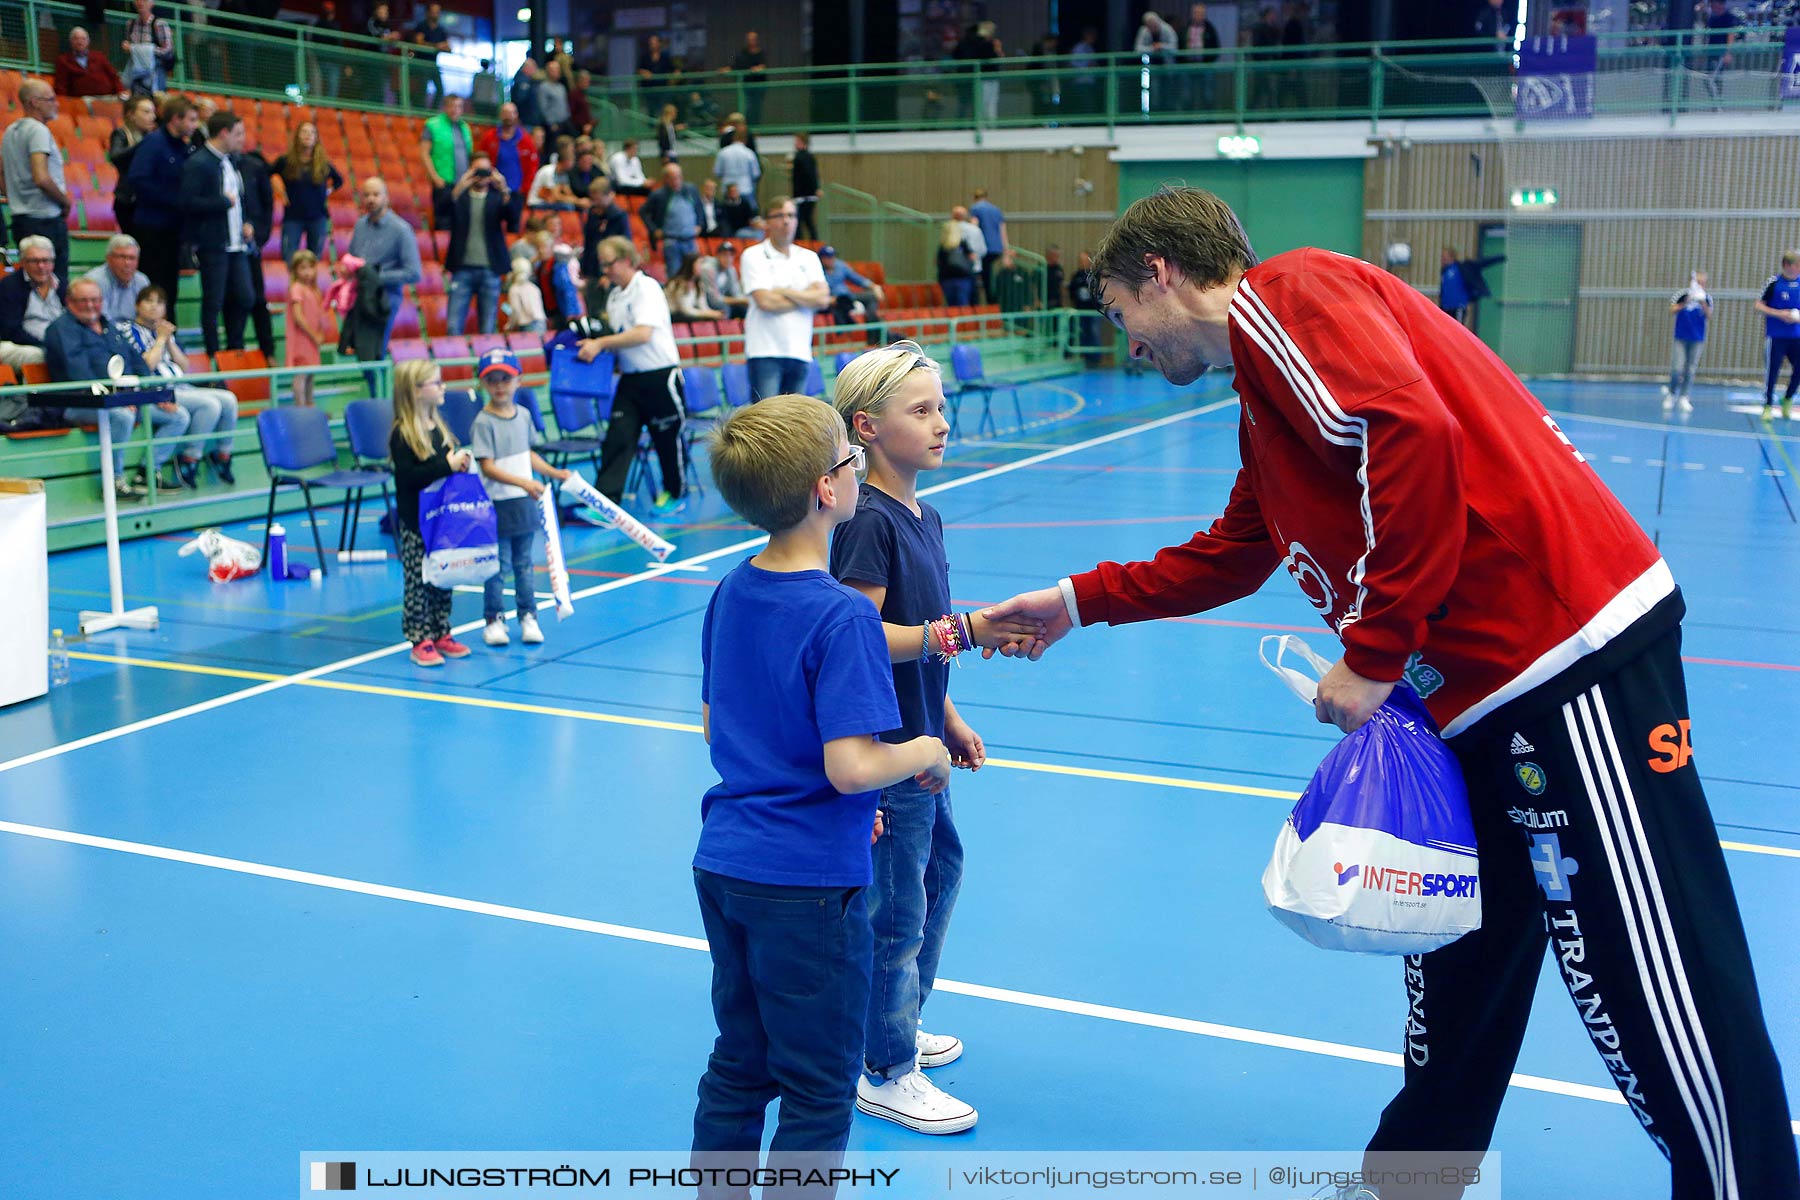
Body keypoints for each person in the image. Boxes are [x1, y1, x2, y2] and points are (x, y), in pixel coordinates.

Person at [978, 186, 1800, 1200]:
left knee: (1645, 979)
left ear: (1162, 274)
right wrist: (1076, 601)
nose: (1127, 344)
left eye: (1118, 314)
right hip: (1475, 701)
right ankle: (1413, 1180)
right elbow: (1238, 553)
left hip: (1561, 665)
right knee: (1457, 950)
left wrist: (1372, 654)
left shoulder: (1291, 293)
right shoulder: (1267, 400)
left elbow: (1407, 432)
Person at [689, 394, 951, 1175]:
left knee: (740, 1064)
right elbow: (852, 766)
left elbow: (718, 727)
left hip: (726, 863)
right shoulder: (843, 618)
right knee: (817, 1086)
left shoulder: (731, 589)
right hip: (808, 885)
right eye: (848, 459)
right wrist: (926, 749)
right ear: (825, 491)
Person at [829, 343, 1037, 1136]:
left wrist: (946, 715)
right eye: (922, 411)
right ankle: (886, 1065)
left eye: (941, 406)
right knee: (896, 907)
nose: (942, 422)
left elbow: (919, 639)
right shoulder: (868, 524)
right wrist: (969, 630)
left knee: (939, 872)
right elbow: (862, 638)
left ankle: (895, 1015)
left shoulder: (927, 513)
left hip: (922, 736)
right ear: (868, 427)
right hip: (884, 752)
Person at [575, 236, 687, 514]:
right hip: (631, 379)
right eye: (602, 265)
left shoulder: (646, 288)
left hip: (660, 376)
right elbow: (620, 338)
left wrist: (601, 343)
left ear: (627, 260)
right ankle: (605, 502)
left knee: (667, 441)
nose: (605, 270)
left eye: (609, 263)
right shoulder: (614, 296)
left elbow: (642, 333)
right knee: (618, 438)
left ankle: (675, 493)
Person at [47, 277, 186, 499]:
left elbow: (139, 364)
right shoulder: (61, 330)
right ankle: (114, 481)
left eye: (95, 300)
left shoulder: (110, 327)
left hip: (122, 397)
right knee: (122, 416)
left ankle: (148, 472)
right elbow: (80, 375)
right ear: (69, 301)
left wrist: (151, 394)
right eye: (83, 300)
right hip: (79, 402)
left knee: (177, 416)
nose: (90, 305)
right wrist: (121, 397)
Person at [471, 348, 570, 647]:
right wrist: (524, 482)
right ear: (484, 384)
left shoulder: (523, 416)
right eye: (493, 380)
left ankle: (528, 616)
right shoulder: (483, 422)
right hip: (496, 506)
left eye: (506, 379)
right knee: (497, 566)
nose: (500, 386)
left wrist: (553, 472)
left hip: (524, 505)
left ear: (518, 381)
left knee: (524, 564)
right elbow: (487, 466)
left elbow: (528, 454)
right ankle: (494, 619)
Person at [390, 359, 475, 667]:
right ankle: (419, 637)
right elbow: (409, 478)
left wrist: (458, 465)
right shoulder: (403, 434)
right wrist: (445, 466)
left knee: (443, 578)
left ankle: (441, 630)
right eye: (436, 383)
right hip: (417, 523)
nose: (443, 387)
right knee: (418, 581)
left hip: (442, 521)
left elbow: (444, 466)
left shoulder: (438, 426)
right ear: (415, 391)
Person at [119, 283, 238, 488]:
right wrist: (160, 340)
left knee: (229, 399)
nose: (154, 307)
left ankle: (223, 454)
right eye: (148, 301)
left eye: (160, 302)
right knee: (210, 405)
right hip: (158, 390)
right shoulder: (128, 330)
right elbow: (146, 365)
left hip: (180, 386)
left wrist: (169, 341)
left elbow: (183, 365)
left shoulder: (164, 331)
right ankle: (189, 458)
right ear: (137, 305)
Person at [182, 111, 255, 358]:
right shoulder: (199, 162)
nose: (242, 139)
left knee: (245, 296)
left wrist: (246, 223)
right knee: (213, 302)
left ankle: (235, 348)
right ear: (223, 133)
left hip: (236, 244)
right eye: (238, 134)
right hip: (213, 244)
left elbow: (239, 201)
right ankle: (213, 354)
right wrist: (221, 203)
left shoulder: (230, 162)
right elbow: (188, 202)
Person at [742, 197, 828, 402]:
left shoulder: (808, 257)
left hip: (799, 351)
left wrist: (786, 292)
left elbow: (823, 299)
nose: (786, 221)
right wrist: (806, 296)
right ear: (767, 222)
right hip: (764, 351)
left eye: (791, 215)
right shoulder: (753, 255)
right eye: (779, 216)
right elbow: (766, 302)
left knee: (793, 426)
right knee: (765, 423)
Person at [127, 96, 198, 306]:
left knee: (170, 286)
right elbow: (138, 180)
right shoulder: (154, 142)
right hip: (152, 227)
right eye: (191, 120)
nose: (195, 125)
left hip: (173, 228)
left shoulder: (184, 147)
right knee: (154, 283)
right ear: (176, 119)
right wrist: (175, 200)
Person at [2, 81, 74, 288]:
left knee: (30, 283)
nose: (56, 104)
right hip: (45, 221)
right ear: (34, 102)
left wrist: (16, 196)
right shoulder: (38, 131)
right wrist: (65, 202)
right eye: (50, 99)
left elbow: (1, 172)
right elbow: (41, 177)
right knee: (54, 285)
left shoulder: (10, 131)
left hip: (21, 219)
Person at [347, 176, 423, 363]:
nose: (371, 199)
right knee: (361, 353)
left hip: (385, 297)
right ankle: (374, 390)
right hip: (361, 295)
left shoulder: (401, 230)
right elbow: (354, 258)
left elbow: (414, 273)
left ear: (386, 197)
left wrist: (376, 277)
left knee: (374, 351)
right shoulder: (360, 225)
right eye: (366, 195)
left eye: (376, 194)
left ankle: (380, 391)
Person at [444, 153, 510, 335]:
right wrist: (459, 187)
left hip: (490, 268)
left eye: (485, 171)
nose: (481, 175)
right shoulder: (461, 196)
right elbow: (442, 214)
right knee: (453, 326)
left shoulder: (497, 197)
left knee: (487, 329)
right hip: (462, 268)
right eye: (477, 170)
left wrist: (503, 187)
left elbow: (513, 219)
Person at [234, 137, 278, 362]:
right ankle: (235, 354)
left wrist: (256, 233)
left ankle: (268, 352)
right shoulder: (221, 167)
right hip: (227, 250)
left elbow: (266, 207)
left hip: (250, 248)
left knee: (258, 300)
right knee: (236, 302)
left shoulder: (254, 167)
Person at [275, 121, 344, 260]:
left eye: (312, 132)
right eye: (304, 132)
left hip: (317, 218)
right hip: (293, 217)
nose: (308, 135)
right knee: (289, 258)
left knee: (314, 260)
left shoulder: (323, 163)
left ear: (316, 138)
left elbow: (339, 181)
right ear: (297, 136)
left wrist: (328, 191)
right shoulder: (286, 161)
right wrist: (279, 191)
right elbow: (268, 173)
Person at [0, 235, 64, 368]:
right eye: (34, 261)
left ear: (53, 262)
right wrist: (46, 344)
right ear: (23, 262)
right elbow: (11, 331)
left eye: (46, 260)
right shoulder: (9, 286)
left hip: (62, 344)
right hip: (26, 345)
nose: (41, 266)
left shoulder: (63, 285)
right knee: (35, 355)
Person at [478, 103, 538, 232]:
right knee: (490, 227)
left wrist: (524, 189)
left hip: (516, 193)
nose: (508, 116)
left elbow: (532, 168)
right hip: (493, 191)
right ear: (500, 115)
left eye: (511, 113)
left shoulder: (526, 140)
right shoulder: (490, 137)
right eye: (505, 113)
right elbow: (480, 160)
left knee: (514, 228)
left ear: (516, 115)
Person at [1755, 251, 1800, 422]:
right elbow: (1758, 306)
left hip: (1797, 336)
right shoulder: (1774, 283)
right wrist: (1779, 314)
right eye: (1797, 265)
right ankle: (1767, 405)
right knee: (1772, 371)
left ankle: (1788, 399)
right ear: (1788, 265)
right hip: (1776, 336)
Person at [422, 94, 475, 233]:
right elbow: (424, 153)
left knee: (461, 222)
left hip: (462, 183)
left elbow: (469, 155)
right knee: (443, 222)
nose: (455, 110)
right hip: (443, 183)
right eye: (452, 106)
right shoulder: (433, 125)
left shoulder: (465, 127)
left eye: (459, 106)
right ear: (445, 107)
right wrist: (435, 178)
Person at [108, 94, 159, 238]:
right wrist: (144, 145)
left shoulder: (153, 138)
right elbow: (116, 157)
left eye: (153, 112)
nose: (152, 117)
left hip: (149, 201)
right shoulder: (121, 134)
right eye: (146, 112)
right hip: (128, 201)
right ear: (131, 114)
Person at [285, 250, 330, 407]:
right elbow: (298, 317)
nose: (307, 272)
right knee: (301, 375)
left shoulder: (315, 290)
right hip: (301, 340)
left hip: (312, 342)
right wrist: (314, 335)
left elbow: (318, 316)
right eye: (302, 268)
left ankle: (310, 404)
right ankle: (301, 407)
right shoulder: (296, 288)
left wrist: (320, 333)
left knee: (311, 374)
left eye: (310, 268)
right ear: (295, 270)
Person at [643, 163, 705, 277]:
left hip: (690, 240)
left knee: (694, 275)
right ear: (665, 179)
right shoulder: (658, 195)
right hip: (672, 242)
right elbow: (643, 212)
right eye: (673, 178)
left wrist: (699, 224)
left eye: (679, 177)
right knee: (675, 276)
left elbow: (700, 208)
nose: (677, 181)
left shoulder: (691, 190)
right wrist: (654, 229)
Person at [1664, 271, 1709, 415]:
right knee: (1677, 368)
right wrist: (1686, 302)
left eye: (1703, 282)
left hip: (1697, 339)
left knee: (1690, 369)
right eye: (1698, 282)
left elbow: (1709, 315)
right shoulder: (1682, 295)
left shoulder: (1706, 298)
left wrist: (1702, 303)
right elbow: (1672, 309)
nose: (1701, 285)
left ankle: (1684, 396)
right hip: (1681, 337)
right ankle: (1672, 393)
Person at [819, 247, 884, 346]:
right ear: (821, 259)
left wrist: (874, 286)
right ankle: (874, 334)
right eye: (828, 257)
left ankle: (872, 326)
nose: (831, 260)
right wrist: (826, 298)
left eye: (832, 257)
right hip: (832, 300)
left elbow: (857, 279)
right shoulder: (816, 269)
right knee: (840, 303)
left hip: (848, 297)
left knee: (871, 296)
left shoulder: (840, 266)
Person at [85, 235, 151, 325]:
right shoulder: (94, 281)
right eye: (122, 257)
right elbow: (100, 321)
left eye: (132, 258)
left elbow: (149, 317)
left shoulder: (142, 281)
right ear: (108, 258)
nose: (127, 263)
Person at [1438, 246, 1504, 328]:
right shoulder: (1444, 271)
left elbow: (1482, 263)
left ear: (1452, 257)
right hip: (1446, 307)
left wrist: (1499, 257)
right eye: (1442, 257)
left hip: (1458, 306)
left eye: (1445, 256)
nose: (1442, 259)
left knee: (1457, 329)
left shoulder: (1463, 267)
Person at [122, 0, 176, 97]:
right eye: (137, 0)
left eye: (145, 0)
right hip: (136, 70)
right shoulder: (130, 24)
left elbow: (167, 50)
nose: (140, 3)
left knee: (157, 98)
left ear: (152, 3)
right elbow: (129, 46)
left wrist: (142, 49)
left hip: (155, 70)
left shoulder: (159, 24)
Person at [54, 27, 126, 99]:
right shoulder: (63, 60)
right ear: (71, 42)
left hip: (107, 96)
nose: (80, 42)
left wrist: (121, 92)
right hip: (83, 100)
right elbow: (61, 85)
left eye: (83, 39)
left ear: (88, 41)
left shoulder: (99, 56)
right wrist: (63, 101)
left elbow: (113, 76)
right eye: (76, 39)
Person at [410, 2, 450, 108]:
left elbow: (448, 46)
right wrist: (435, 46)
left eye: (437, 12)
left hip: (433, 64)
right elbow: (419, 42)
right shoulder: (422, 26)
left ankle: (432, 112)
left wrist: (444, 47)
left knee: (440, 90)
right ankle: (420, 111)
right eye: (433, 12)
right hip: (421, 63)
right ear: (428, 13)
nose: (436, 14)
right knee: (421, 90)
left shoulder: (441, 29)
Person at [969, 189, 1007, 302]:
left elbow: (974, 226)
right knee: (988, 272)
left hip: (984, 247)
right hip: (996, 248)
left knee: (978, 272)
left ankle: (982, 300)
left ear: (975, 198)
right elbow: (1002, 230)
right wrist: (1005, 250)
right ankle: (991, 299)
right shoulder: (996, 210)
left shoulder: (975, 209)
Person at [714, 128, 762, 213]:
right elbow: (756, 173)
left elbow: (717, 172)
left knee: (728, 214)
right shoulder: (749, 153)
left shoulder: (723, 153)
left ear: (732, 139)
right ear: (745, 140)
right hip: (745, 187)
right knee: (750, 214)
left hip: (727, 187)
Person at [665, 256, 725, 322]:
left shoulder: (698, 283)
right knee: (701, 319)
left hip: (688, 313)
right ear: (691, 265)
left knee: (718, 315)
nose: (702, 267)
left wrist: (715, 313)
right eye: (699, 264)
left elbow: (703, 306)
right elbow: (686, 310)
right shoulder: (677, 283)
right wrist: (708, 314)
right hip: (674, 315)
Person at [1185, 3, 1223, 109]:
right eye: (1196, 13)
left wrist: (1209, 61)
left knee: (1207, 93)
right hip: (1189, 65)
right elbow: (1181, 44)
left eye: (1201, 13)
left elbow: (1216, 47)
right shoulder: (1186, 27)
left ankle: (1208, 119)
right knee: (1188, 93)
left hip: (1205, 65)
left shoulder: (1210, 29)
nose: (1198, 15)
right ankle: (1188, 120)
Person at [727, 30, 768, 124]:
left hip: (759, 85)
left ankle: (755, 128)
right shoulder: (743, 53)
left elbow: (763, 65)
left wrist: (758, 68)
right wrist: (727, 69)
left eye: (753, 39)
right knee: (747, 108)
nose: (751, 41)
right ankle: (746, 128)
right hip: (746, 85)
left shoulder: (761, 53)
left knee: (756, 108)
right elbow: (736, 65)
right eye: (749, 39)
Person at [936, 219, 977, 309]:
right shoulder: (963, 244)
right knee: (962, 305)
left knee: (951, 306)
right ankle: (962, 323)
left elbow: (938, 262)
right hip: (963, 278)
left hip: (946, 279)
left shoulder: (943, 247)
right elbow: (972, 257)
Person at [791, 132, 821, 242]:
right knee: (807, 220)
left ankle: (801, 241)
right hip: (808, 193)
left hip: (803, 195)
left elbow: (808, 175)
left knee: (801, 220)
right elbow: (814, 174)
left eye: (796, 141)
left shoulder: (800, 157)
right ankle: (812, 240)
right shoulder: (809, 157)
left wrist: (811, 189)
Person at [506, 259, 547, 334]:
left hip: (527, 325)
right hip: (542, 323)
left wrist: (509, 326)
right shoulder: (534, 288)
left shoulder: (514, 289)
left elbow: (515, 310)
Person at [536, 60, 573, 142]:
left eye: (558, 69)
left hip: (565, 122)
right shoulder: (544, 87)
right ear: (548, 72)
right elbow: (542, 107)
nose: (557, 72)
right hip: (554, 126)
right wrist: (551, 123)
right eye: (554, 70)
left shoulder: (561, 87)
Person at [512, 57, 544, 132]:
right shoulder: (523, 81)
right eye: (534, 67)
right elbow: (520, 99)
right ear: (527, 68)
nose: (535, 70)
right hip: (526, 120)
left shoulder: (528, 80)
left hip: (529, 119)